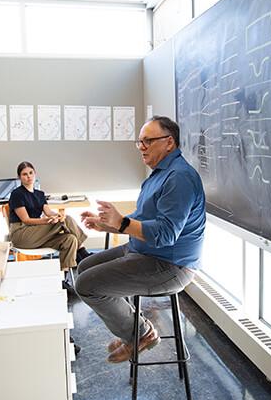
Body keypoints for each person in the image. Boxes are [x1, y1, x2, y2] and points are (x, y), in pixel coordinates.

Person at [76, 116, 206, 363]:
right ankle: (130, 328)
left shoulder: (179, 178)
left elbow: (166, 234)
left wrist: (121, 223)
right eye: (139, 142)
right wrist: (107, 224)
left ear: (169, 143)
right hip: (146, 252)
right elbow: (141, 219)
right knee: (83, 267)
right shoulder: (158, 175)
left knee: (87, 284)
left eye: (148, 141)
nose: (141, 147)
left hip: (170, 266)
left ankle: (141, 333)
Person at [7, 161, 90, 274]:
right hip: (22, 234)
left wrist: (57, 216)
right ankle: (84, 253)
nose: (28, 176)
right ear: (19, 177)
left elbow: (48, 212)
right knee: (67, 219)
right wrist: (47, 221)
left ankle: (64, 277)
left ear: (35, 173)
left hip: (37, 234)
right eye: (24, 174)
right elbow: (26, 220)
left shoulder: (40, 194)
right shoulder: (17, 194)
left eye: (31, 173)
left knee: (70, 239)